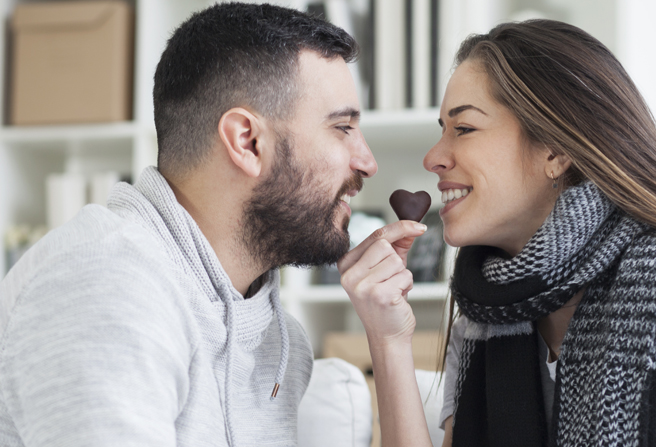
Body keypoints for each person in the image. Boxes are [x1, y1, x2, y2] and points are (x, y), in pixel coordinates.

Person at [339, 19, 656, 447]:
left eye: (465, 129)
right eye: (443, 131)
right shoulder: (483, 318)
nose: (434, 157)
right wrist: (388, 337)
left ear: (555, 151)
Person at [0, 3, 383, 446]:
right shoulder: (107, 283)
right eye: (342, 128)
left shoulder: (281, 342)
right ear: (248, 142)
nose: (367, 162)